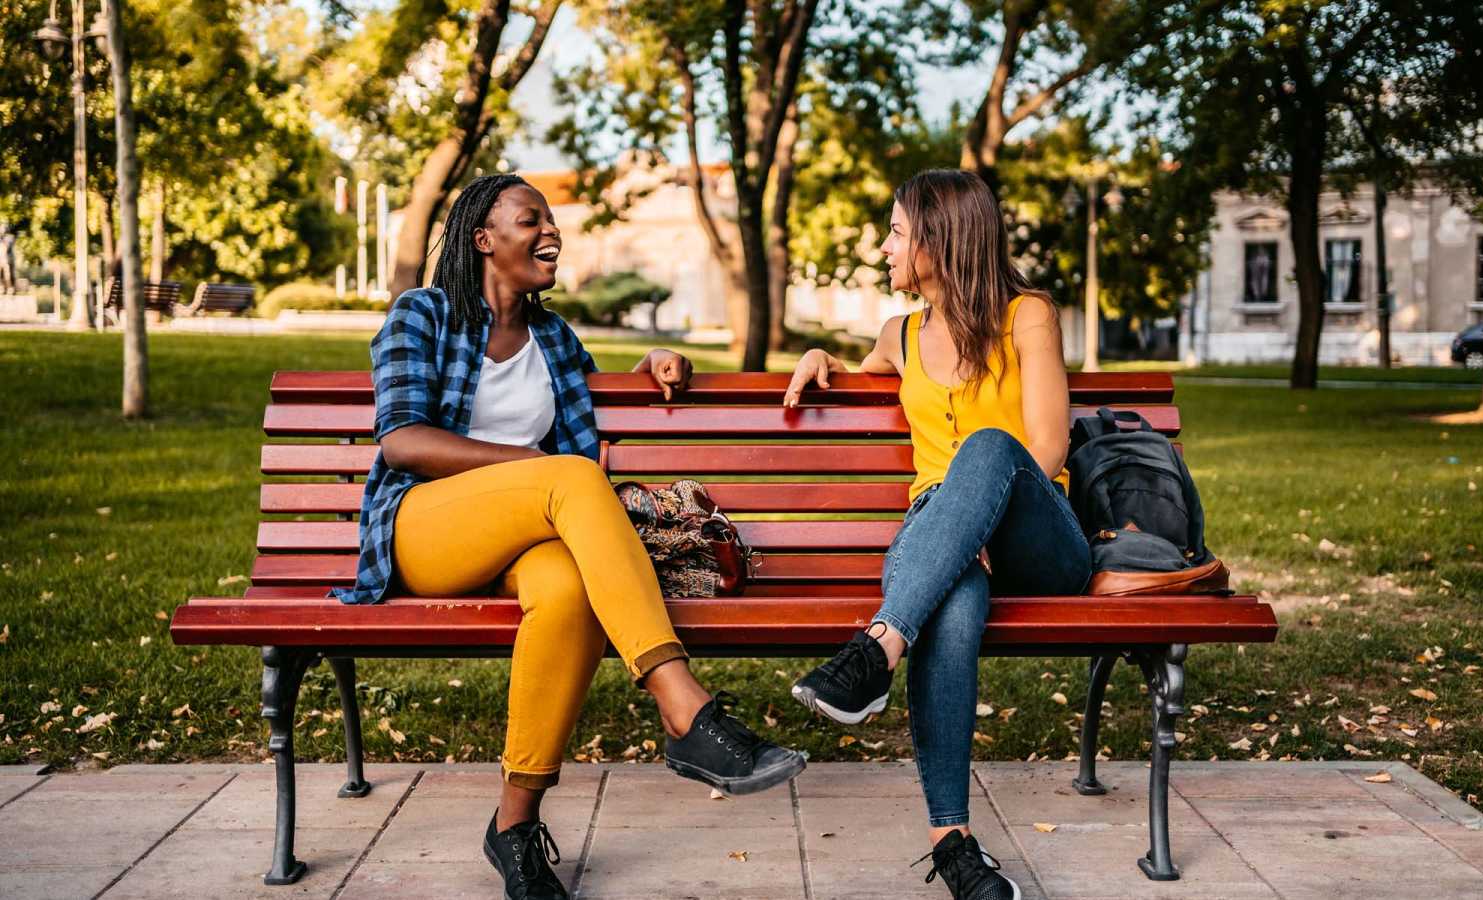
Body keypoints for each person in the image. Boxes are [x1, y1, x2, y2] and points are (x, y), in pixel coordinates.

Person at [338, 173, 805, 900]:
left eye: (552, 222)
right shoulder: (420, 315)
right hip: (426, 532)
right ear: (483, 240)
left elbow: (583, 419)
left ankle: (515, 828)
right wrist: (533, 468)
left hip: (521, 544)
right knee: (569, 478)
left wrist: (648, 367)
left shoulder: (553, 337)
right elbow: (403, 441)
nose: (551, 233)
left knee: (567, 589)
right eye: (531, 221)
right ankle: (683, 705)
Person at [782, 169, 1091, 900]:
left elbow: (1045, 451)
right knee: (951, 600)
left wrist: (978, 520)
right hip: (942, 539)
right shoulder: (900, 333)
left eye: (895, 231)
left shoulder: (1028, 316)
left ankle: (877, 649)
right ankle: (950, 842)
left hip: (1036, 532)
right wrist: (823, 359)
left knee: (987, 446)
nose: (883, 246)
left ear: (939, 238)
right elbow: (858, 376)